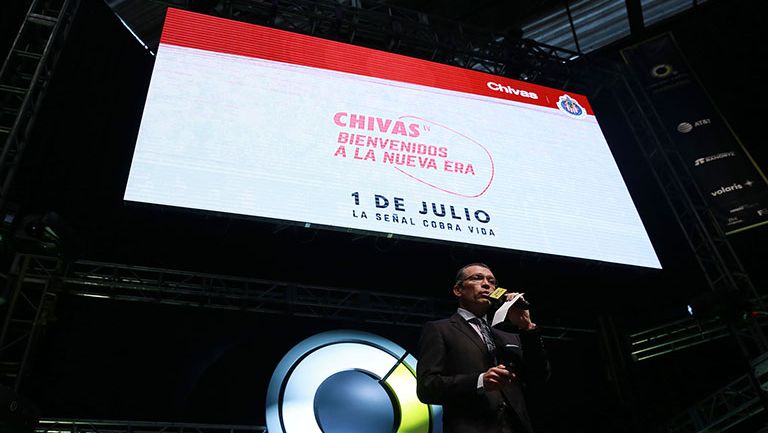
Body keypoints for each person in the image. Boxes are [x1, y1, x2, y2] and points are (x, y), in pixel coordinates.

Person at [416, 263, 550, 433]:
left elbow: (539, 376)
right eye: (477, 278)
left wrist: (527, 327)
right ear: (458, 290)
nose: (487, 284)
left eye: (492, 281)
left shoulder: (508, 336)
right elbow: (427, 388)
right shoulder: (440, 329)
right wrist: (479, 381)